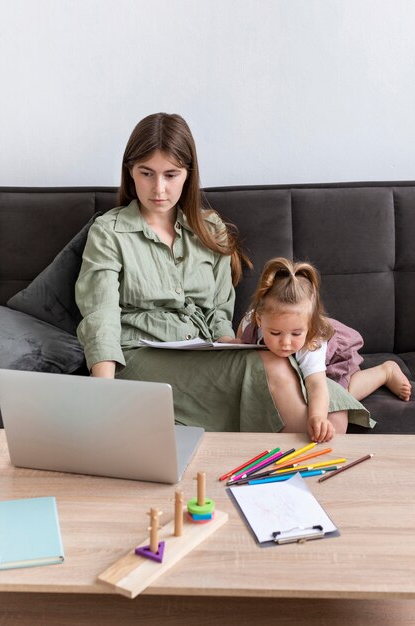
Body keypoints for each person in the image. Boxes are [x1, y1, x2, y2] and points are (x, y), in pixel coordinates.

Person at [75, 112, 371, 440]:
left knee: (333, 409)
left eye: (171, 175)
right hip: (139, 356)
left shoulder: (209, 228)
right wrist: (103, 395)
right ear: (130, 173)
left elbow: (218, 313)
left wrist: (230, 344)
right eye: (147, 173)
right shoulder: (109, 232)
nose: (159, 188)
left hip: (203, 352)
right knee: (276, 372)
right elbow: (100, 317)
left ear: (188, 174)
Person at [238, 257, 411, 441]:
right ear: (259, 320)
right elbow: (242, 341)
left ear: (308, 325)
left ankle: (385, 371)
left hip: (332, 360)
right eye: (275, 333)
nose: (286, 343)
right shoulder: (250, 321)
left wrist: (317, 417)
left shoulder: (312, 342)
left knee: (339, 392)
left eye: (295, 334)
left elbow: (316, 385)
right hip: (291, 363)